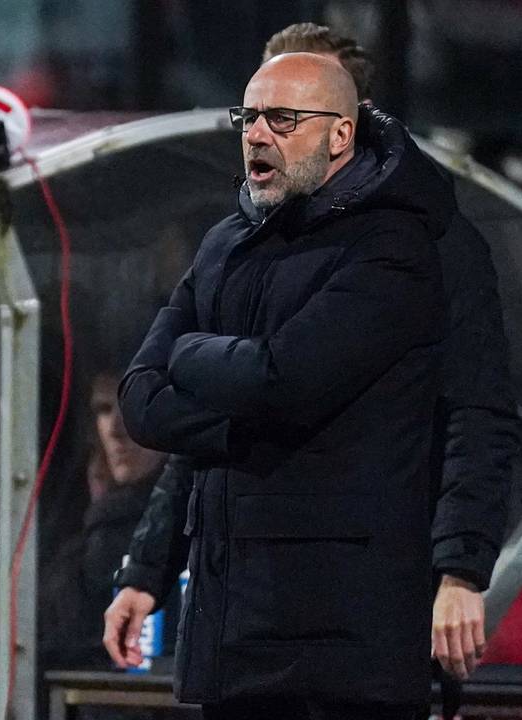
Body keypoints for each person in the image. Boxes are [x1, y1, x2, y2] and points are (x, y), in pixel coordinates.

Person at [104, 53, 452, 719]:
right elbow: (141, 400)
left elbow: (280, 380)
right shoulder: (224, 242)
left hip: (339, 655)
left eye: (283, 118)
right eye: (249, 116)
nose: (257, 133)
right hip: (230, 640)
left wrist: (192, 354)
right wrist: (246, 401)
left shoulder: (391, 249)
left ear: (340, 135)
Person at [261, 22, 519, 683]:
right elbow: (214, 419)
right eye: (262, 107)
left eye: (296, 107)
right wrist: (146, 567)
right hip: (260, 597)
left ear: (350, 122)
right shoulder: (247, 245)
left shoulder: (436, 241)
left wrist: (460, 570)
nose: (268, 128)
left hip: (379, 587)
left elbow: (478, 407)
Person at [45, 370, 168, 670]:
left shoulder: (183, 524)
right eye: (103, 410)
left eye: (133, 405)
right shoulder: (75, 513)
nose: (115, 429)